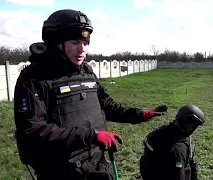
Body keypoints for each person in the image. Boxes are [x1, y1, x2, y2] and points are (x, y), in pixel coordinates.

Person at [13, 9, 168, 180]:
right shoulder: (34, 79)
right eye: (74, 42)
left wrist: (139, 115)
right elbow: (34, 131)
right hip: (62, 171)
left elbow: (106, 105)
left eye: (85, 43)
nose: (82, 49)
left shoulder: (86, 72)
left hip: (97, 163)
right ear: (56, 43)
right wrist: (92, 136)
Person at [139, 104, 205, 180]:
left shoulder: (160, 132)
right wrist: (193, 173)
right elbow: (178, 172)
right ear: (187, 124)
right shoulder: (178, 151)